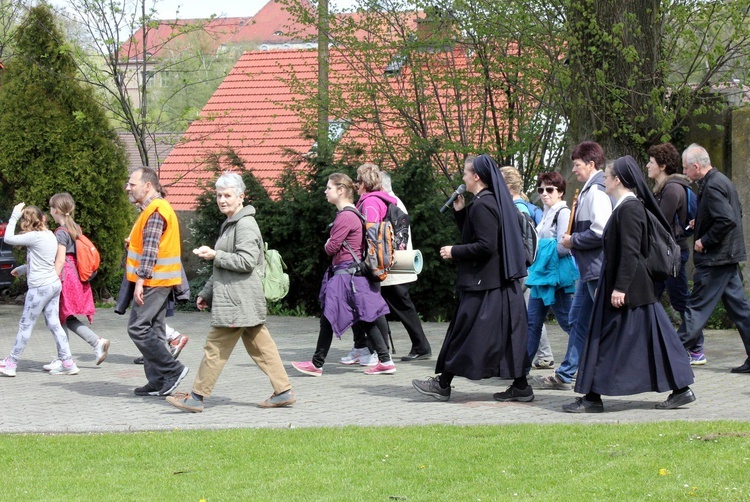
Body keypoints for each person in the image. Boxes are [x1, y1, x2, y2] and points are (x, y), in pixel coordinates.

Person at [562, 156, 696, 412]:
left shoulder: (630, 208)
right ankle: (681, 390)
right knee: (654, 340)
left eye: (607, 175)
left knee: (606, 339)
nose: (604, 179)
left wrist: (620, 287)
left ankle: (592, 398)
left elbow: (631, 252)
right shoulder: (624, 207)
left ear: (618, 180)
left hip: (631, 291)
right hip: (632, 290)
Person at [167, 173, 296, 412]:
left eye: (227, 195)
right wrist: (207, 292)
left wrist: (216, 255)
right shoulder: (231, 224)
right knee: (262, 348)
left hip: (237, 301)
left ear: (240, 197)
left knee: (215, 347)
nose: (222, 200)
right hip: (240, 300)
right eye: (219, 195)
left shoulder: (245, 224)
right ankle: (283, 391)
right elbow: (222, 268)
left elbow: (246, 262)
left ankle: (196, 397)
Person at [412, 154, 531, 402]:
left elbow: (486, 245)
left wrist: (454, 251)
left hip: (485, 285)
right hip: (496, 284)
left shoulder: (483, 204)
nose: (463, 178)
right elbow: (483, 235)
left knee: (464, 333)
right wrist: (460, 213)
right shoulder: (489, 202)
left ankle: (443, 384)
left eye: (466, 173)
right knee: (504, 336)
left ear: (476, 176)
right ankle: (521, 386)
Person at [292, 173, 395, 376]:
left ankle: (317, 364)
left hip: (346, 275)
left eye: (329, 188)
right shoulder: (353, 214)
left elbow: (331, 248)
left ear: (340, 190)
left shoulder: (346, 216)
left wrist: (328, 243)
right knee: (364, 318)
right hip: (353, 275)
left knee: (332, 316)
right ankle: (385, 361)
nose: (325, 191)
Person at [534, 141, 613, 391]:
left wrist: (572, 240)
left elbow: (601, 231)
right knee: (578, 322)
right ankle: (568, 373)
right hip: (588, 269)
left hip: (595, 269)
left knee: (602, 324)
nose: (574, 170)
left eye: (577, 165)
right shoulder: (590, 190)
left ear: (591, 164)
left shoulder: (597, 192)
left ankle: (604, 370)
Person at [340, 169, 432, 364]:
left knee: (393, 304)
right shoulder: (393, 201)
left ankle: (387, 349)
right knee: (397, 304)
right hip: (395, 262)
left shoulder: (383, 202)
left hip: (391, 263)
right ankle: (409, 346)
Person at [678, 144, 750, 374]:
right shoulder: (722, 181)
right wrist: (698, 223)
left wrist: (704, 240)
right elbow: (733, 214)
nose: (685, 173)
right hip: (727, 258)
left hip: (716, 259)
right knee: (741, 311)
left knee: (696, 309)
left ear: (696, 167)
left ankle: (668, 357)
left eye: (686, 169)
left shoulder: (712, 186)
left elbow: (727, 220)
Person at [125, 167, 189, 396]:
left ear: (148, 185)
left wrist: (141, 281)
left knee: (138, 328)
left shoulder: (156, 209)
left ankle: (172, 371)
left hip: (154, 281)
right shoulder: (155, 209)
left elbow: (151, 250)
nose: (128, 188)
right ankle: (158, 381)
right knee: (155, 329)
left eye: (132, 184)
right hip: (162, 279)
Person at [0, 203, 80, 377]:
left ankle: (11, 363)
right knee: (54, 323)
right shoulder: (49, 235)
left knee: (25, 325)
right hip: (53, 284)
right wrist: (23, 269)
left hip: (39, 288)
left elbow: (8, 239)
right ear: (42, 218)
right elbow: (43, 259)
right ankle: (68, 362)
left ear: (27, 221)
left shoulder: (35, 237)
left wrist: (13, 215)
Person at [39, 193, 109, 373]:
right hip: (75, 276)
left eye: (50, 208)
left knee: (58, 316)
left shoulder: (61, 232)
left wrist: (50, 280)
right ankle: (94, 343)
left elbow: (60, 260)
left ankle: (65, 358)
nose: (50, 211)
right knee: (64, 316)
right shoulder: (75, 228)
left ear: (55, 210)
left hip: (65, 277)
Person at [500, 165, 555, 369]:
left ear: (507, 185)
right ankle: (544, 355)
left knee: (529, 313)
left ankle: (541, 355)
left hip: (525, 268)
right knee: (531, 312)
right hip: (532, 267)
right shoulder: (526, 206)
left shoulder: (518, 208)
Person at [524, 172, 577, 375]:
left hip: (555, 277)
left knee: (568, 323)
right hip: (541, 276)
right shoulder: (545, 212)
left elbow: (564, 246)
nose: (544, 193)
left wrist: (541, 252)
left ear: (560, 192)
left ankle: (587, 362)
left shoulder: (562, 212)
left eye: (549, 189)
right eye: (541, 190)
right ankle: (522, 370)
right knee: (533, 323)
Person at [646, 143, 692, 342]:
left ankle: (695, 346)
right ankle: (653, 341)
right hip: (662, 254)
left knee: (680, 299)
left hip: (672, 254)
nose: (648, 165)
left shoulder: (672, 189)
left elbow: (660, 222)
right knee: (651, 297)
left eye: (651, 162)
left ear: (662, 166)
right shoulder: (661, 189)